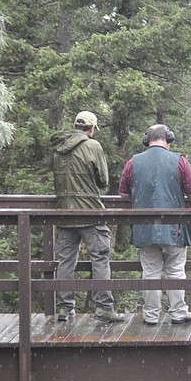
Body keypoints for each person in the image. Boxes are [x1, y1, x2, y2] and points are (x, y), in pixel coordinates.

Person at [119, 124, 191, 326]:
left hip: (144, 228)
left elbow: (123, 193)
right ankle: (178, 314)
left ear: (147, 140)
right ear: (168, 139)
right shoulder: (180, 161)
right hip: (174, 228)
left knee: (150, 273)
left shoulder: (133, 162)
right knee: (175, 271)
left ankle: (151, 316)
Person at [50, 110, 124, 322]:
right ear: (91, 129)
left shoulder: (58, 148)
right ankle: (103, 308)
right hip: (90, 211)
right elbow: (103, 181)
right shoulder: (93, 146)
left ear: (75, 126)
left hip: (64, 212)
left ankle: (64, 308)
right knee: (100, 258)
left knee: (65, 261)